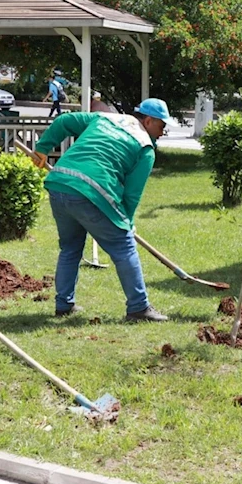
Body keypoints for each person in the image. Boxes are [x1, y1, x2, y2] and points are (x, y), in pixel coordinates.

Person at [34, 98, 178, 322]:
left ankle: (64, 304)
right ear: (148, 120)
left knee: (70, 248)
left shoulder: (106, 118)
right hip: (91, 189)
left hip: (60, 183)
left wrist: (43, 147)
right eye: (162, 126)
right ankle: (139, 307)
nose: (162, 133)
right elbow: (131, 195)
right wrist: (126, 224)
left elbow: (64, 121)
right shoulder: (145, 148)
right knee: (124, 247)